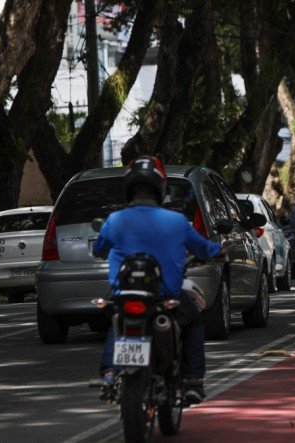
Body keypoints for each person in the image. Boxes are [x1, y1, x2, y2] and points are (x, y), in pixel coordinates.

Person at [92, 155, 224, 404]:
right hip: (165, 298)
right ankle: (193, 380)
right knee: (194, 320)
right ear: (160, 188)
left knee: (117, 321)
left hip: (124, 296)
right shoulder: (177, 221)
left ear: (129, 188)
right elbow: (205, 249)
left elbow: (99, 248)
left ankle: (109, 374)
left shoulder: (114, 220)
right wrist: (220, 251)